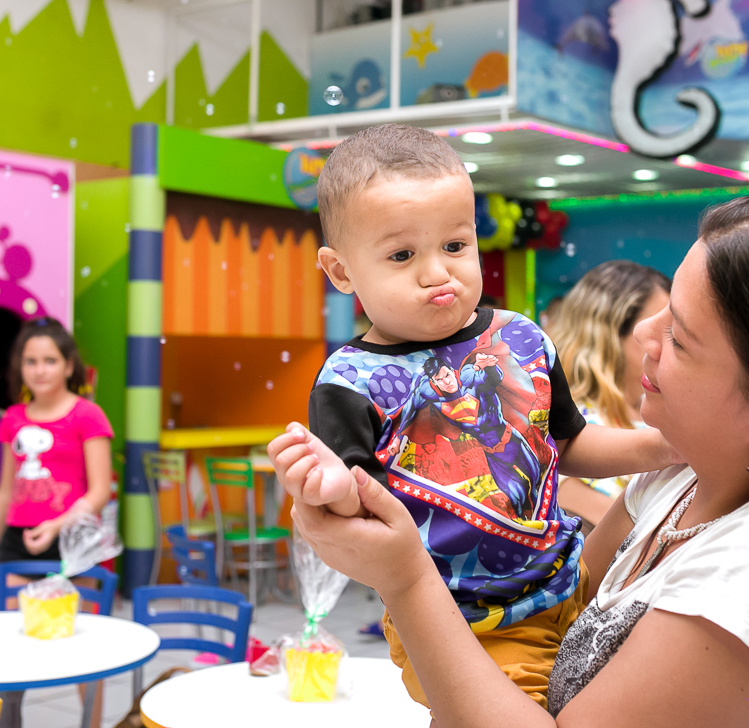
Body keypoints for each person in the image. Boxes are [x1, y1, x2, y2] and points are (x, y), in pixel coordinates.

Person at [280, 195, 749, 728]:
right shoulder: (676, 477)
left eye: (680, 337)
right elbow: (557, 606)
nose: (642, 340)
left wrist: (407, 578)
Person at [267, 123, 677, 711]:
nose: (437, 272)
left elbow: (570, 443)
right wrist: (329, 485)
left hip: (573, 582)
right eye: (403, 255)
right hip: (466, 625)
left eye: (455, 246)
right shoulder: (349, 381)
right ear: (341, 271)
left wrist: (664, 447)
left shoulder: (522, 337)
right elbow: (355, 516)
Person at [0, 318, 113, 727]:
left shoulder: (88, 415)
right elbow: (4, 492)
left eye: (50, 360)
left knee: (83, 650)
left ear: (69, 365)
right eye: (31, 361)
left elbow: (99, 490)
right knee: (12, 647)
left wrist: (56, 525)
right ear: (21, 366)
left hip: (75, 545)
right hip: (17, 546)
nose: (40, 369)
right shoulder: (13, 418)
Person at [549, 260, 670, 527]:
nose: (666, 346)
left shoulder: (659, 411)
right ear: (609, 335)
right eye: (656, 329)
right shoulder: (565, 430)